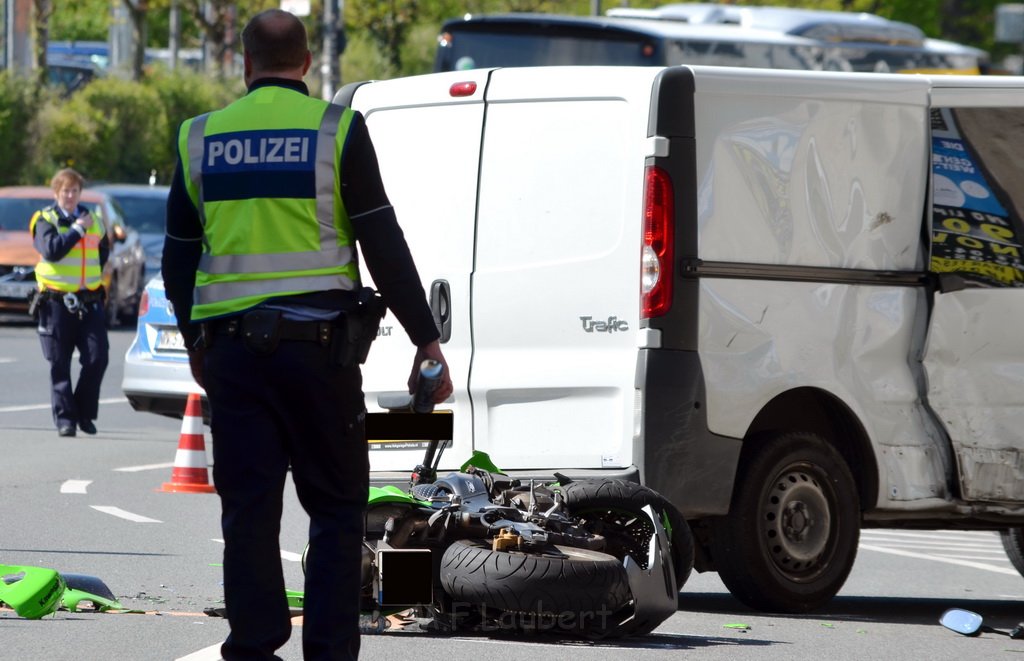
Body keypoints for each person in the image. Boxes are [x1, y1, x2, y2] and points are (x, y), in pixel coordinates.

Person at [162, 8, 453, 660]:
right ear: (306, 65)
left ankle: (255, 644)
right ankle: (326, 651)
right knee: (336, 509)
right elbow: (382, 240)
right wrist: (425, 340)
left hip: (234, 356)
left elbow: (177, 257)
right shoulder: (337, 129)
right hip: (319, 357)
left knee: (249, 512)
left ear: (243, 65)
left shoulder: (199, 136)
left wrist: (195, 343)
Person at [30, 168, 110, 438]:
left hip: (89, 301)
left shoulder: (94, 220)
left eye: (75, 190)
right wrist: (77, 229)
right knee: (59, 363)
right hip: (56, 302)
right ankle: (65, 419)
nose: (70, 196)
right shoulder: (45, 219)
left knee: (97, 358)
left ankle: (84, 412)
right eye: (65, 191)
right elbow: (52, 251)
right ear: (56, 193)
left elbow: (103, 252)